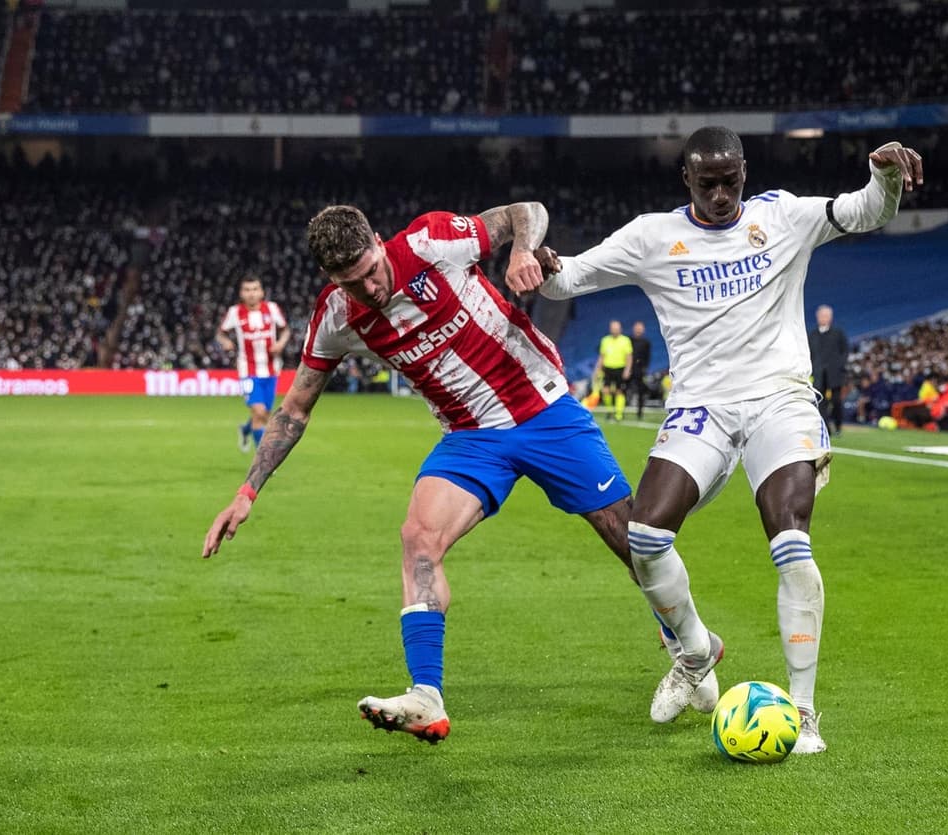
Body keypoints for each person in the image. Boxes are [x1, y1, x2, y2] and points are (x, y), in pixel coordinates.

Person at [520, 126, 922, 755]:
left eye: (729, 180)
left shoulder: (783, 216)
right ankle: (695, 651)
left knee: (790, 537)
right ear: (686, 179)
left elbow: (865, 210)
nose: (719, 194)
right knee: (645, 537)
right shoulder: (652, 237)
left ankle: (805, 712)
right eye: (706, 182)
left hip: (779, 400)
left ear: (744, 172)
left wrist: (886, 178)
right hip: (701, 408)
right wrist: (543, 266)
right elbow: (565, 281)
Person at [201, 202, 638, 746]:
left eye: (371, 271)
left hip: (542, 408)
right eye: (351, 283)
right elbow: (294, 410)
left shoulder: (432, 242)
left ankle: (690, 646)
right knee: (418, 537)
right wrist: (247, 491)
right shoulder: (336, 315)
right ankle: (426, 696)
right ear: (330, 280)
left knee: (633, 540)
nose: (369, 289)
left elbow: (527, 210)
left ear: (380, 242)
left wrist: (522, 249)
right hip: (469, 438)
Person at [216, 276, 289, 452]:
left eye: (255, 289)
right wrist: (224, 341)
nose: (251, 294)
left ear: (262, 292)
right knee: (258, 412)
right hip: (247, 371)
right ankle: (263, 459)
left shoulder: (271, 309)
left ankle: (245, 429)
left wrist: (280, 343)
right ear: (241, 293)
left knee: (264, 415)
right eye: (247, 290)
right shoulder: (235, 312)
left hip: (271, 370)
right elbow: (220, 333)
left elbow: (285, 330)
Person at [808, 305, 848, 434]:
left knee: (836, 401)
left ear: (830, 318)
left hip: (835, 374)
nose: (823, 318)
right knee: (821, 402)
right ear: (817, 317)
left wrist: (840, 365)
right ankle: (826, 427)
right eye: (821, 316)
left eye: (826, 316)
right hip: (818, 374)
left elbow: (845, 351)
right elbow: (809, 353)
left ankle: (838, 426)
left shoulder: (838, 333)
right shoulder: (812, 335)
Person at [595, 319, 634, 420]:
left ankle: (619, 413)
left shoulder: (625, 340)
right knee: (605, 391)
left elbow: (629, 357)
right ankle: (610, 411)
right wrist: (598, 369)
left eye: (617, 328)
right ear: (610, 329)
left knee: (619, 391)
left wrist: (627, 369)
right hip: (608, 368)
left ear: (620, 329)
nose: (615, 330)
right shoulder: (605, 340)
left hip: (620, 368)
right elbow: (602, 356)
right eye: (613, 328)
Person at [628, 321, 653, 420]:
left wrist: (645, 368)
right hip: (628, 369)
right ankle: (616, 411)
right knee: (621, 389)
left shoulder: (646, 343)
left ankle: (640, 412)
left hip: (639, 370)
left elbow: (647, 357)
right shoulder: (628, 340)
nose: (638, 330)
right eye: (637, 328)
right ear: (634, 329)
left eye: (640, 328)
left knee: (641, 391)